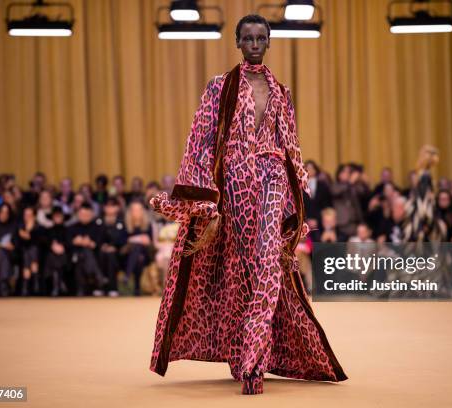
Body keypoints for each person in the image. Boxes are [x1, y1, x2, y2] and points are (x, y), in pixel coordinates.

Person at [148, 14, 347, 395]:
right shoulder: (218, 88)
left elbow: (291, 144)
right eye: (248, 39)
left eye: (261, 38)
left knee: (270, 263)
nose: (255, 45)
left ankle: (255, 361)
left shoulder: (282, 92)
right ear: (238, 43)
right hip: (235, 183)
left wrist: (298, 197)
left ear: (269, 42)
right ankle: (243, 355)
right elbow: (200, 141)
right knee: (243, 270)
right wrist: (199, 196)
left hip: (273, 177)